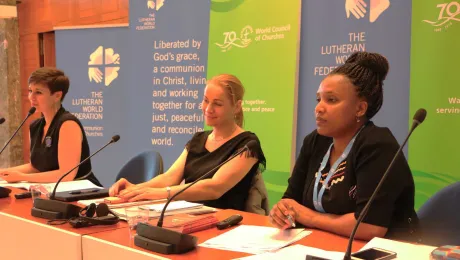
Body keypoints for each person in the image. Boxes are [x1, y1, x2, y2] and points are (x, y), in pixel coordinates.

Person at [270, 52, 419, 241]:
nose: (319, 108)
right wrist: (282, 213)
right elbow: (290, 201)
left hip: (386, 250)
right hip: (321, 244)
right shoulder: (315, 141)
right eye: (319, 99)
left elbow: (369, 226)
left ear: (360, 109)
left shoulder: (378, 145)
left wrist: (308, 217)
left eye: (331, 100)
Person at [109, 74, 266, 211]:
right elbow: (170, 177)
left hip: (226, 224)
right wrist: (136, 188)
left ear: (237, 107)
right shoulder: (198, 139)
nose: (208, 109)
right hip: (187, 216)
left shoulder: (247, 144)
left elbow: (214, 188)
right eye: (206, 101)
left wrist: (157, 194)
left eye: (217, 104)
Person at [0, 67, 102, 186]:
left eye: (38, 92)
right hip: (51, 190)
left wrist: (22, 177)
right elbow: (36, 167)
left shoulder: (68, 124)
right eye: (30, 91)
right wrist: (5, 173)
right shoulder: (35, 126)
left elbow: (66, 175)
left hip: (80, 192)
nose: (31, 97)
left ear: (57, 96)